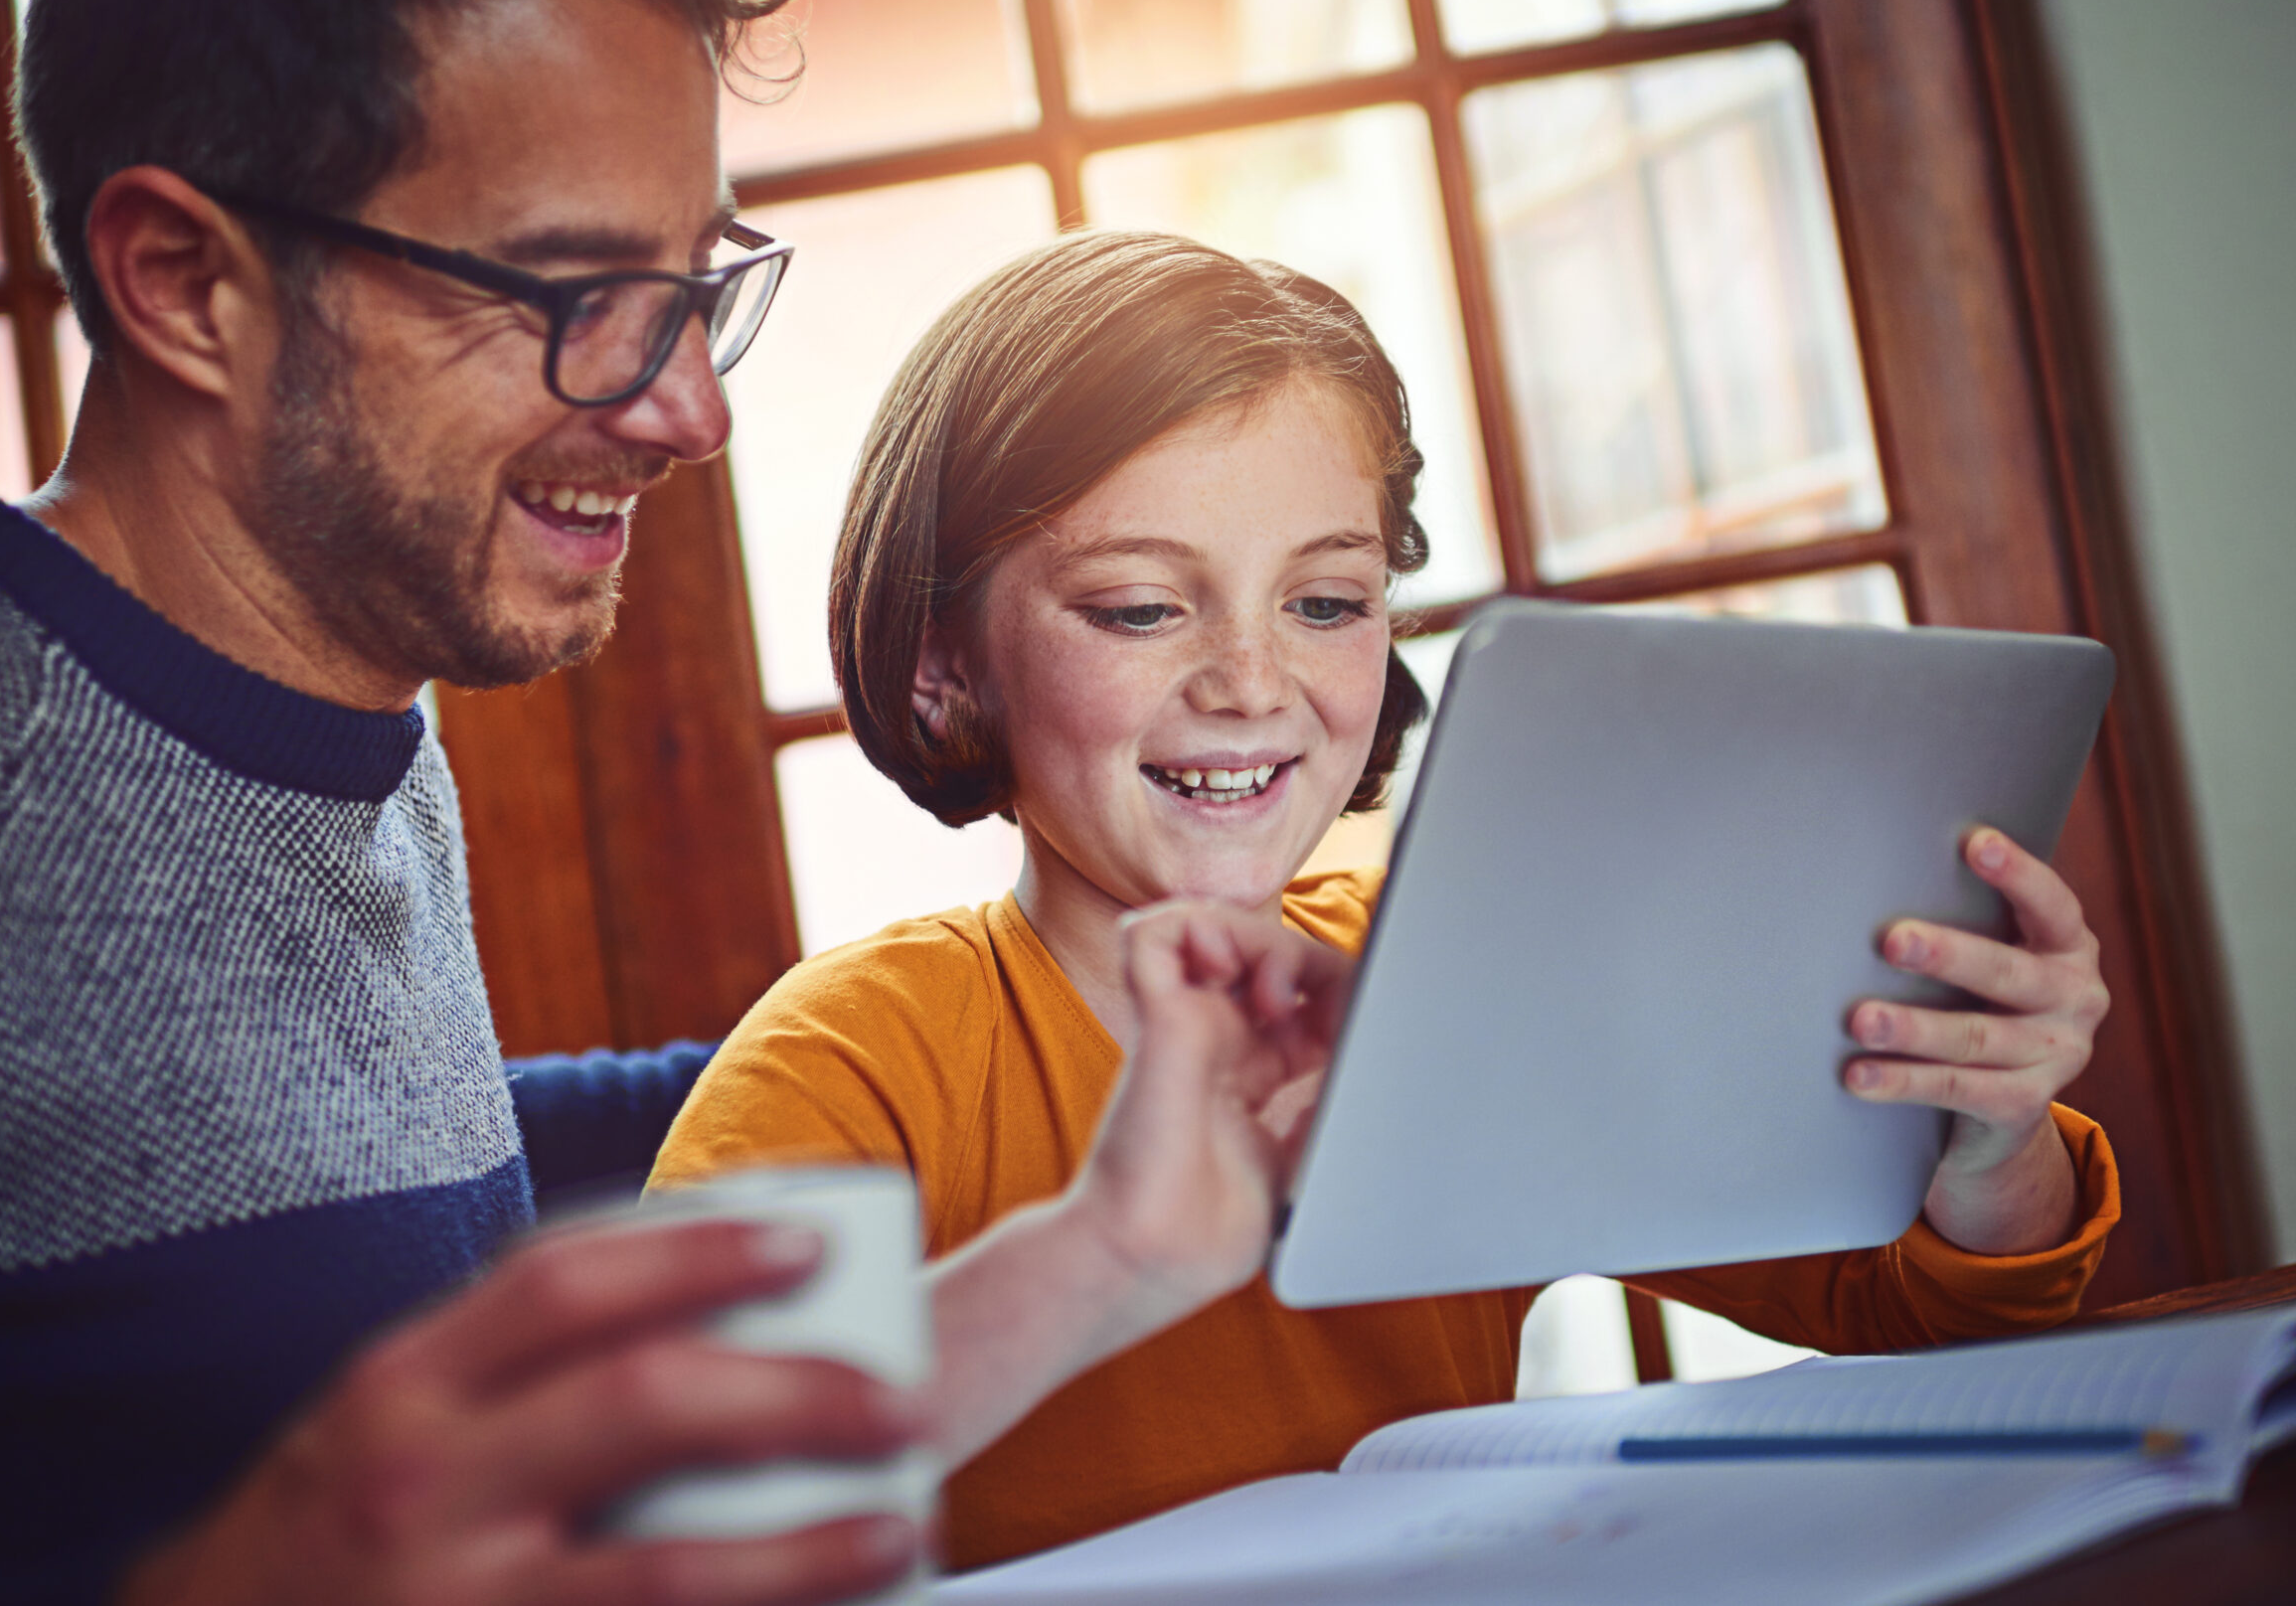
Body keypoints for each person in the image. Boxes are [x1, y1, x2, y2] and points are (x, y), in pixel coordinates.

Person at [0, 0, 1336, 1602]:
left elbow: (333, 1183)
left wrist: (992, 1084)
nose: (689, 414)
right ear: (186, 284)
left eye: (692, 288)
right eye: (581, 295)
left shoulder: (335, 715)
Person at [648, 232, 2125, 1571]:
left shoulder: (1451, 976)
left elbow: (1924, 1313)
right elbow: (666, 1541)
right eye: (1141, 607)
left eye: (1327, 602)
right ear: (943, 663)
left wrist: (1986, 1146)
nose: (1251, 682)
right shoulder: (852, 1063)